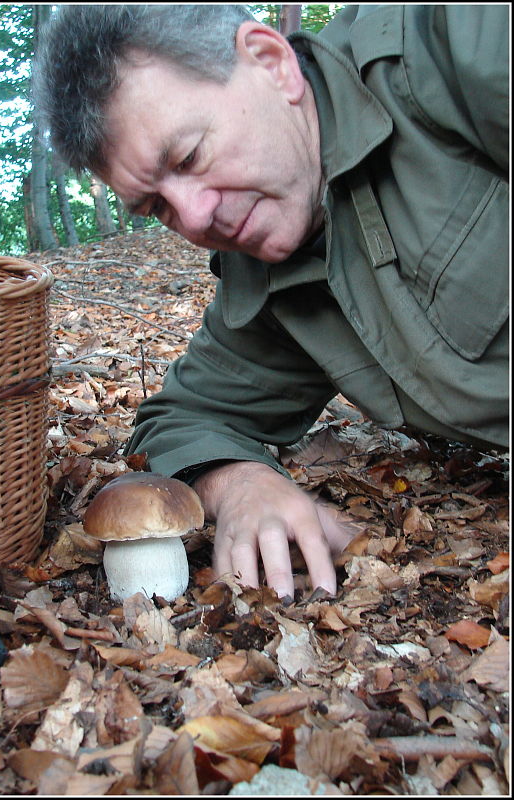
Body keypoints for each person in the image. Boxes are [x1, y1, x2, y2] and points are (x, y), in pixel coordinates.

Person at [33, 4, 509, 600]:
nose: (196, 218)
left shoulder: (452, 39)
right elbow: (181, 418)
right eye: (158, 208)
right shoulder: (262, 280)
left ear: (271, 63)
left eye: (188, 157)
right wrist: (236, 482)